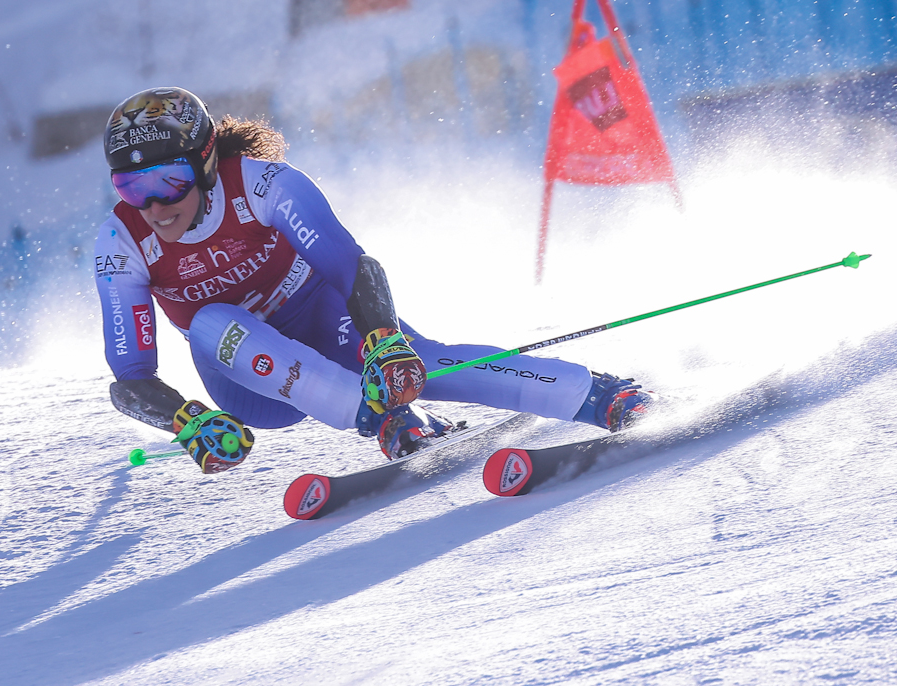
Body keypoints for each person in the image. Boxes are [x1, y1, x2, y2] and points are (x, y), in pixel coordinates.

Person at [93, 86, 650, 474]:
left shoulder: (264, 185)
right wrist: (185, 422)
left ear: (206, 160)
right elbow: (130, 379)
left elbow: (350, 265)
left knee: (423, 363)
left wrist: (385, 342)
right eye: (131, 189)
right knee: (212, 323)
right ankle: (378, 417)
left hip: (320, 316)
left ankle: (596, 395)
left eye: (168, 181)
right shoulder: (122, 244)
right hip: (252, 384)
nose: (155, 206)